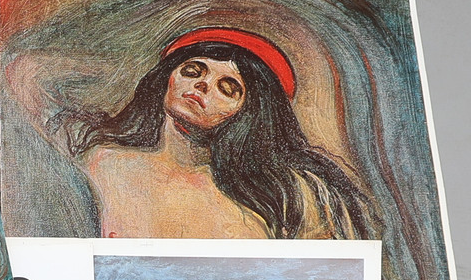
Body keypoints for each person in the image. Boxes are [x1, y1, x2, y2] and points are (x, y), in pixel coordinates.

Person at [56, 27, 373, 241]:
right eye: (193, 71)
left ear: (249, 112)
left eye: (227, 87)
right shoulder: (102, 164)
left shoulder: (282, 199)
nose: (202, 85)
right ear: (167, 78)